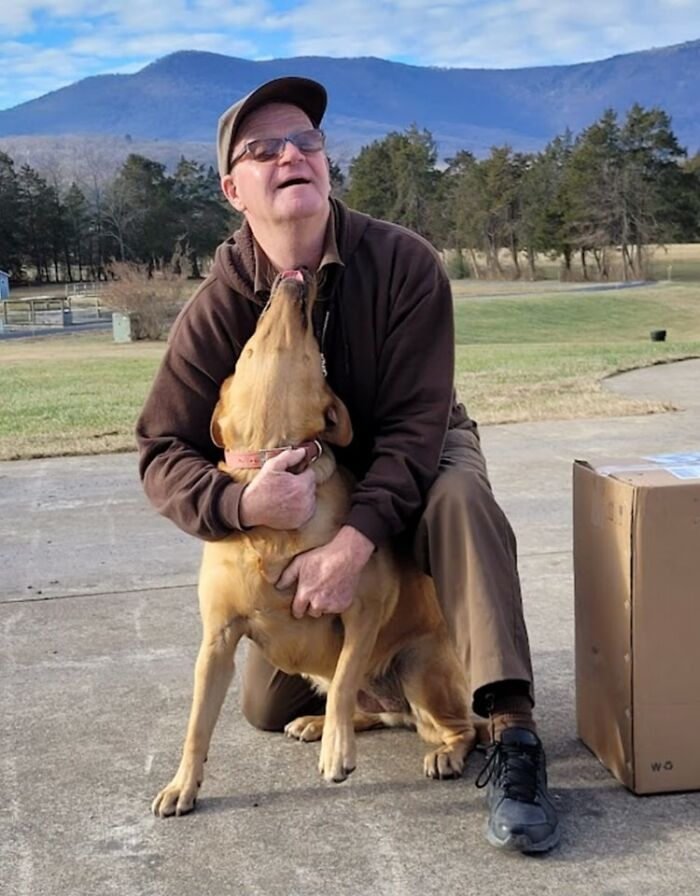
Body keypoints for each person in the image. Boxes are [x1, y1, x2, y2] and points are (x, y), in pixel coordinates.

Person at [136, 76, 560, 853]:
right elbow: (162, 450)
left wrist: (354, 544)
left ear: (327, 165)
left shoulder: (405, 264)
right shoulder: (220, 306)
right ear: (234, 189)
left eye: (307, 142)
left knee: (459, 501)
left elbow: (412, 429)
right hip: (295, 495)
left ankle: (510, 732)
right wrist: (242, 508)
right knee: (265, 708)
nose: (292, 155)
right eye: (265, 150)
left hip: (415, 448)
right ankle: (366, 695)